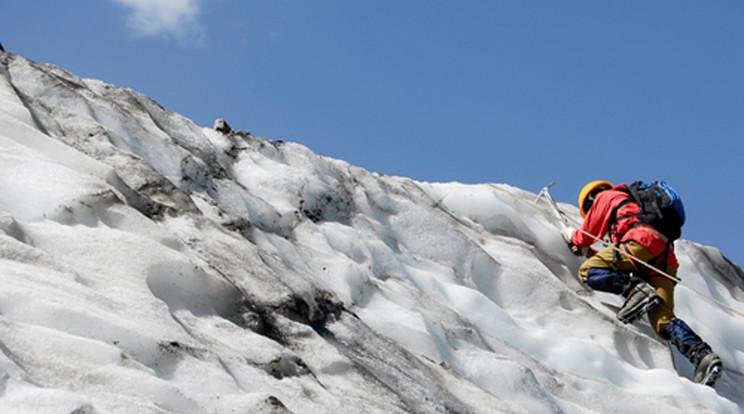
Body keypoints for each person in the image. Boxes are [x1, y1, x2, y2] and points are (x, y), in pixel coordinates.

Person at [561, 180, 723, 386]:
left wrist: (572, 238)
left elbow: (584, 238)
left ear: (591, 199)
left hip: (641, 242)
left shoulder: (606, 197)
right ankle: (703, 356)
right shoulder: (635, 207)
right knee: (662, 319)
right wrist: (591, 252)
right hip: (664, 258)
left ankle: (636, 291)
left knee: (588, 271)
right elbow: (618, 259)